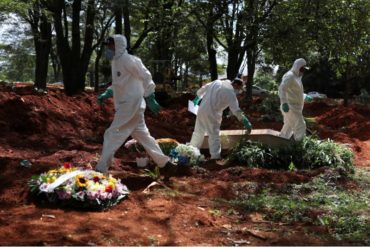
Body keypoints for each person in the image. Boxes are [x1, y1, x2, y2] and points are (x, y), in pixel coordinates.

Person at [95, 34, 177, 175]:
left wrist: (150, 95)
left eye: (110, 46)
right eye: (107, 46)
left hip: (130, 104)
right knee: (143, 136)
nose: (108, 49)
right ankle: (165, 164)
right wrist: (108, 93)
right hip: (129, 105)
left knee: (111, 134)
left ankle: (101, 169)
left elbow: (146, 76)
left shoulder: (129, 60)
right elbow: (119, 84)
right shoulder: (116, 62)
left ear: (119, 46)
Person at [189, 77, 253, 160]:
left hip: (201, 110)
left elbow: (202, 89)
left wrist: (197, 98)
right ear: (236, 85)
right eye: (239, 89)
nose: (239, 91)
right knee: (214, 135)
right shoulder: (230, 93)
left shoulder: (217, 82)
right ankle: (215, 157)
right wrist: (245, 121)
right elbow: (236, 110)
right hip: (212, 113)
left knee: (198, 132)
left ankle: (190, 153)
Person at [278, 58, 312, 141]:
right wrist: (284, 102)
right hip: (290, 107)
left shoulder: (297, 78)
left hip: (295, 107)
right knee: (300, 126)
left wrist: (305, 96)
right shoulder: (290, 76)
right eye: (302, 69)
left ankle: (280, 144)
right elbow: (282, 89)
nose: (303, 71)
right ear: (297, 67)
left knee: (288, 127)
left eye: (304, 69)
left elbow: (295, 92)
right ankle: (299, 147)